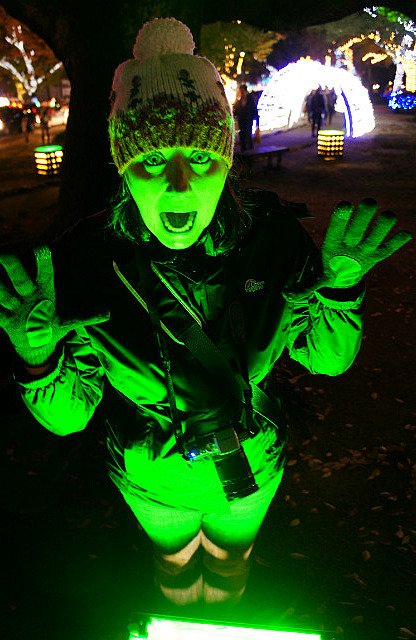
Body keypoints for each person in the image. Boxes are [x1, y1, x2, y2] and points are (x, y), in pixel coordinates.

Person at [0, 17, 411, 617]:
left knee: (230, 561)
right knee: (172, 564)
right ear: (121, 164)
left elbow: (326, 359)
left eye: (198, 156)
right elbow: (68, 417)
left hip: (251, 465)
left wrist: (340, 291)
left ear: (226, 158)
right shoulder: (87, 262)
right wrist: (38, 357)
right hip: (151, 479)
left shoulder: (272, 238)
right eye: (150, 160)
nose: (177, 185)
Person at [233, 84, 259, 151]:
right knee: (242, 135)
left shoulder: (250, 98)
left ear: (245, 90)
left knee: (248, 134)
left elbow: (254, 109)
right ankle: (244, 149)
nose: (241, 92)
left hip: (248, 119)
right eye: (240, 90)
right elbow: (236, 110)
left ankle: (250, 149)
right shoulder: (239, 99)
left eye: (242, 90)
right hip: (241, 120)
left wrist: (257, 121)